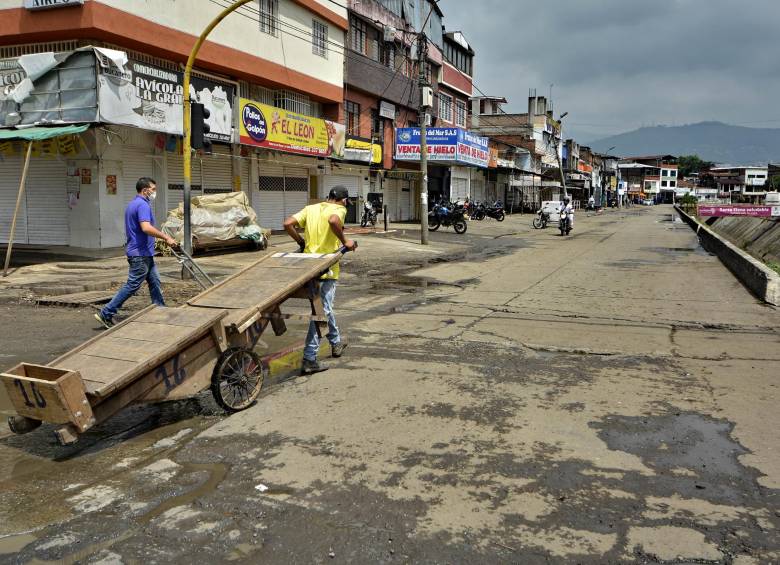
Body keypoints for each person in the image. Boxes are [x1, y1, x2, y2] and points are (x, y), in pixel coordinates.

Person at [283, 186, 357, 375]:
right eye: (346, 202)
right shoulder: (339, 209)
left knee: (324, 307)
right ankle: (309, 358)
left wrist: (301, 242)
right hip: (326, 268)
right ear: (344, 200)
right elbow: (333, 221)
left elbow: (287, 224)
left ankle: (336, 342)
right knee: (322, 311)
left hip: (309, 266)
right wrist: (345, 241)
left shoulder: (311, 208)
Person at [94, 177, 177, 329]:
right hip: (140, 254)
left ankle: (160, 309)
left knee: (155, 281)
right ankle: (106, 313)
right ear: (145, 190)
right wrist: (166, 237)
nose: (155, 192)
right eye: (153, 189)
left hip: (144, 252)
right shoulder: (142, 205)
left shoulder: (133, 204)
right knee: (132, 285)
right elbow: (146, 227)